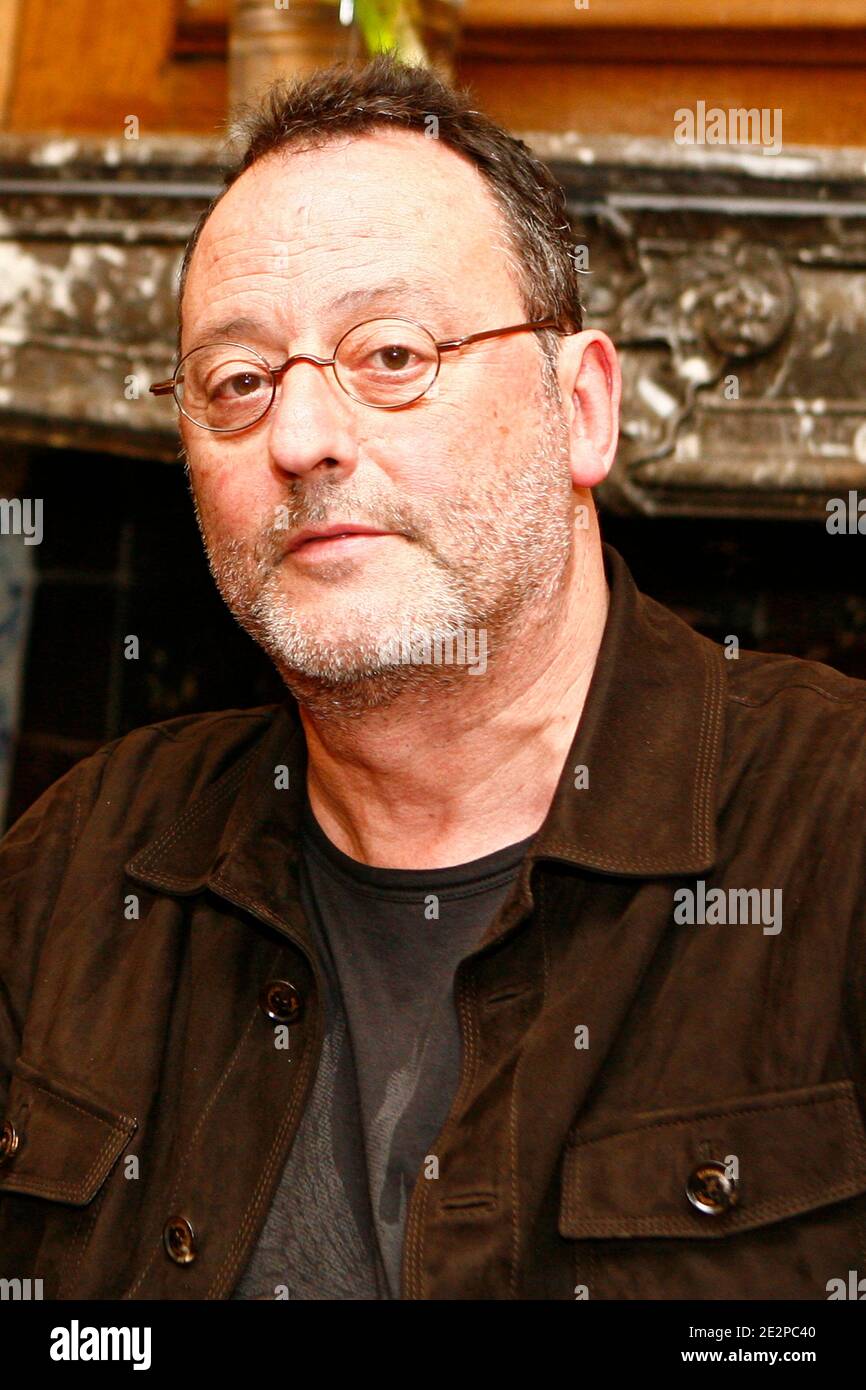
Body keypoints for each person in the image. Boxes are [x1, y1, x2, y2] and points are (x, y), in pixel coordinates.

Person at [2, 54, 866, 1303]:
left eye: (392, 354)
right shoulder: (78, 864)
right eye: (237, 382)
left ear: (580, 408)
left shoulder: (834, 829)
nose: (300, 439)